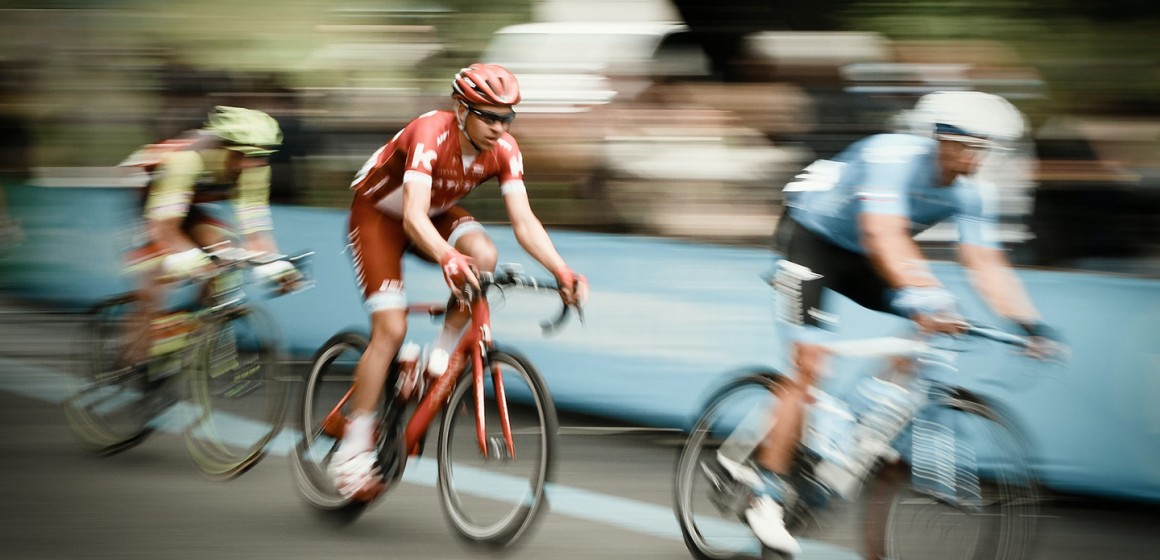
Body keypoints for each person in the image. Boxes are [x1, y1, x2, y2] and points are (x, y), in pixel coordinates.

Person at [716, 90, 1063, 555]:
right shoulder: (890, 156)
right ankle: (768, 494)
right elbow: (882, 234)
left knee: (931, 332)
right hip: (811, 241)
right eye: (972, 145)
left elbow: (983, 261)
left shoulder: (973, 192)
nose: (979, 157)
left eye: (988, 148)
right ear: (942, 139)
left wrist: (1029, 324)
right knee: (810, 364)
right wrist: (923, 294)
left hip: (865, 257)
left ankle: (864, 426)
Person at [328, 64, 588, 500]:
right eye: (488, 115)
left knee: (485, 254)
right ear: (460, 108)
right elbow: (411, 216)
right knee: (391, 330)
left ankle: (439, 359)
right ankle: (353, 448)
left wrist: (561, 270)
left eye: (507, 117)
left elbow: (523, 222)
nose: (498, 127)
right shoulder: (431, 132)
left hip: (431, 213)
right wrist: (447, 256)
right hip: (379, 218)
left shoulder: (504, 149)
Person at [119, 106, 300, 380]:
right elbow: (163, 226)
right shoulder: (187, 160)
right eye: (245, 155)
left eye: (262, 156)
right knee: (157, 277)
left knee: (223, 249)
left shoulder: (255, 164)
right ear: (224, 146)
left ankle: (191, 328)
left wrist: (276, 265)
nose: (252, 164)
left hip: (191, 205)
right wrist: (187, 258)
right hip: (154, 200)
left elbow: (255, 231)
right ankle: (133, 356)